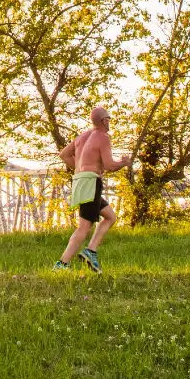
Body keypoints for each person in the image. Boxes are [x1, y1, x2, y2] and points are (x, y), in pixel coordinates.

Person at [54, 106, 129, 272]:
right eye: (108, 119)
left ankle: (90, 250)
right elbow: (109, 164)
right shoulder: (102, 137)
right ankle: (62, 264)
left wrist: (81, 169)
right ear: (103, 121)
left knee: (110, 217)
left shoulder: (82, 137)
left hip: (81, 181)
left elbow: (64, 155)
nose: (109, 122)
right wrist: (123, 163)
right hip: (90, 183)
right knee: (84, 226)